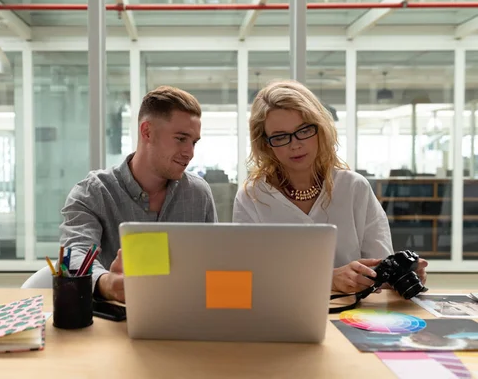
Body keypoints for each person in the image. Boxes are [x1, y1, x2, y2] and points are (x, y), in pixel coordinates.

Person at [232, 79, 427, 294]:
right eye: (280, 137)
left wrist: (399, 275)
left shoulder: (354, 188)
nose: (295, 144)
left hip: (352, 314)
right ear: (265, 144)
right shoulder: (252, 196)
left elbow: (378, 265)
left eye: (304, 130)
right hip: (279, 312)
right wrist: (328, 279)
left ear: (321, 129)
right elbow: (245, 279)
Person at [60, 85, 217, 303]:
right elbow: (74, 254)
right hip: (114, 324)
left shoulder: (199, 194)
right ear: (147, 132)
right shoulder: (93, 193)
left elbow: (214, 263)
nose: (190, 153)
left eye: (194, 142)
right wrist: (107, 284)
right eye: (181, 139)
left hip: (185, 318)